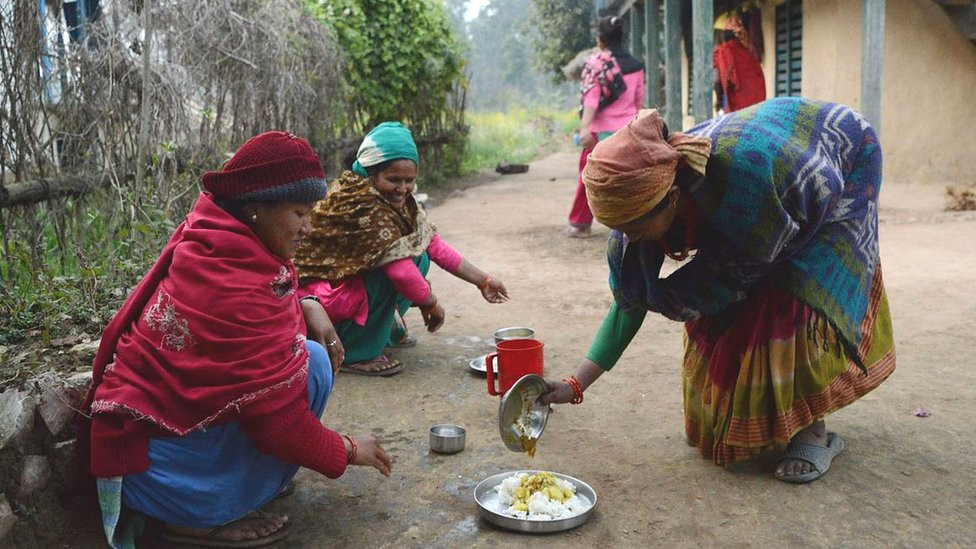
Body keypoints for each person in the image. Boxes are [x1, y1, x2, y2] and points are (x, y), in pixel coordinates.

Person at [542, 98, 895, 484]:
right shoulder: (638, 201)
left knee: (790, 298)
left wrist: (714, 288)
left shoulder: (749, 186)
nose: (630, 237)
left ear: (673, 199)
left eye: (635, 227)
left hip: (839, 156)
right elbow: (629, 304)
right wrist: (574, 384)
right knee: (721, 293)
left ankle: (814, 431)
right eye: (620, 228)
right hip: (765, 173)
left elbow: (739, 273)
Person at [78, 131, 392, 548]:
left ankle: (246, 485)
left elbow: (263, 357)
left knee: (311, 361)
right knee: (304, 374)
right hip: (148, 464)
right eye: (300, 213)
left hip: (168, 434)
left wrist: (307, 304)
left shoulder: (225, 240)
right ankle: (195, 519)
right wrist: (348, 449)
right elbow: (277, 426)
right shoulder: (230, 281)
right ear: (256, 209)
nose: (309, 227)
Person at [293, 122, 508, 376]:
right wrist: (431, 303)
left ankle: (382, 326)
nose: (403, 188)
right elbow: (399, 272)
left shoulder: (397, 201)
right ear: (371, 174)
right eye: (393, 180)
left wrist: (483, 280)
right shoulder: (362, 203)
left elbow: (433, 244)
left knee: (420, 253)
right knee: (394, 270)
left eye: (409, 180)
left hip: (344, 289)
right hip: (318, 300)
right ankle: (354, 352)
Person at [566, 15, 645, 238]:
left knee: (589, 177)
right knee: (630, 177)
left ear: (601, 40)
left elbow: (591, 98)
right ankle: (635, 224)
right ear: (623, 37)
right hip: (628, 132)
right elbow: (638, 99)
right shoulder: (637, 65)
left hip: (599, 135)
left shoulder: (596, 64)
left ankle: (581, 224)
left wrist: (584, 128)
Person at [712, 13, 765, 113]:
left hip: (734, 103)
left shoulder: (721, 52)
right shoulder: (749, 55)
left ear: (724, 36)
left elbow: (716, 80)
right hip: (755, 108)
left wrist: (718, 100)